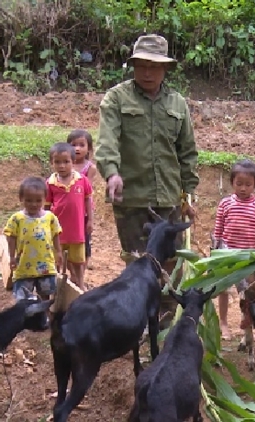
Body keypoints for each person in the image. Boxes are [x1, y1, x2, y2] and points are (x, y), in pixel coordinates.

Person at [94, 34, 198, 328]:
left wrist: (189, 194)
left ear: (166, 68)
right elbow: (107, 141)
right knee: (138, 265)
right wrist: (112, 172)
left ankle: (165, 324)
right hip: (132, 200)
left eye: (154, 66)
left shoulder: (177, 103)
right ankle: (138, 323)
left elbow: (187, 151)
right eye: (141, 65)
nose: (147, 72)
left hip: (168, 201)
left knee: (171, 264)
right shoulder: (116, 98)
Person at [212, 159, 255, 339]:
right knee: (223, 290)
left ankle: (247, 322)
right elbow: (218, 230)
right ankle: (223, 323)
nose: (243, 188)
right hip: (227, 253)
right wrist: (215, 251)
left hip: (248, 256)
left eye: (248, 184)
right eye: (239, 184)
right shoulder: (225, 204)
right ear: (232, 183)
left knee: (248, 291)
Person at [4, 176, 63, 301]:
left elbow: (55, 234)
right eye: (29, 200)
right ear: (21, 199)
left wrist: (58, 252)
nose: (34, 204)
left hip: (45, 265)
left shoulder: (50, 218)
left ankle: (45, 316)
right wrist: (12, 256)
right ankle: (25, 318)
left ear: (44, 199)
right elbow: (11, 238)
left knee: (46, 294)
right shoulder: (17, 219)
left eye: (38, 200)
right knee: (23, 298)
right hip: (24, 265)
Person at [45, 142, 94, 289]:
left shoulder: (82, 180)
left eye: (66, 162)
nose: (62, 166)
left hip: (77, 230)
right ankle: (58, 285)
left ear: (73, 162)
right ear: (51, 163)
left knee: (78, 261)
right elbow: (47, 207)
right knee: (57, 259)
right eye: (57, 162)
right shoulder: (50, 183)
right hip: (58, 231)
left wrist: (90, 220)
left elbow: (88, 200)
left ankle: (79, 283)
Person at [68, 129, 98, 271]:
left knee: (84, 240)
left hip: (84, 211)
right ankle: (71, 270)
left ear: (89, 148)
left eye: (81, 145)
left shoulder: (90, 168)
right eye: (73, 145)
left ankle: (83, 269)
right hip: (68, 210)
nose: (77, 148)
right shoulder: (65, 165)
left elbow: (87, 191)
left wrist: (91, 219)